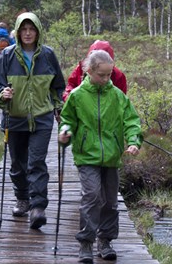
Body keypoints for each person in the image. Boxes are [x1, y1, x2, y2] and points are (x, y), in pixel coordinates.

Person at [58, 49, 142, 263]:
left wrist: (133, 141)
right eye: (101, 75)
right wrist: (65, 131)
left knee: (110, 202)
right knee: (92, 196)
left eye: (109, 75)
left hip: (112, 157)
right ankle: (86, 242)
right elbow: (67, 119)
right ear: (89, 71)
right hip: (86, 156)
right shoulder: (77, 96)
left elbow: (131, 120)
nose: (106, 79)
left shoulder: (117, 96)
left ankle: (105, 241)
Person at [0, 12, 65, 229]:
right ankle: (23, 199)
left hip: (42, 119)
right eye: (24, 29)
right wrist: (2, 95)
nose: (28, 33)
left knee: (36, 163)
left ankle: (38, 207)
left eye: (32, 29)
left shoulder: (48, 56)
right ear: (18, 32)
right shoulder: (7, 56)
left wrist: (58, 107)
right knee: (18, 165)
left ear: (38, 31)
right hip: (15, 118)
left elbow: (58, 86)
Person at [62, 40, 127, 101]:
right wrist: (70, 99)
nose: (105, 79)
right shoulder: (81, 69)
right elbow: (71, 85)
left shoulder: (118, 76)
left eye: (108, 74)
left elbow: (121, 100)